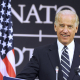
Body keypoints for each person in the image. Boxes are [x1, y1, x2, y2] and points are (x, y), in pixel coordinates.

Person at [16, 10, 80, 80]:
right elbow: (22, 78)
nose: (65, 30)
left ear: (76, 28)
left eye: (69, 27)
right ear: (55, 27)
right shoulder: (41, 54)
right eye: (62, 26)